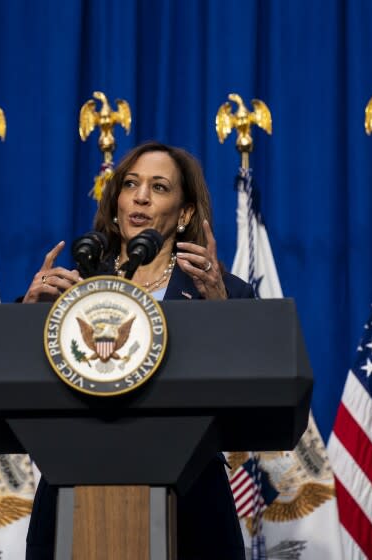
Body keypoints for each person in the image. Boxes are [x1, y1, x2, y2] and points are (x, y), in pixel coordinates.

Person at [23, 141, 253, 559]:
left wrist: (220, 308)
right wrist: (26, 316)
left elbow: (254, 387)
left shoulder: (221, 293)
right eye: (131, 184)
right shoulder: (70, 291)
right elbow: (12, 383)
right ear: (116, 203)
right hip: (72, 498)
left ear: (184, 214)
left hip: (191, 504)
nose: (141, 196)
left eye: (159, 187)